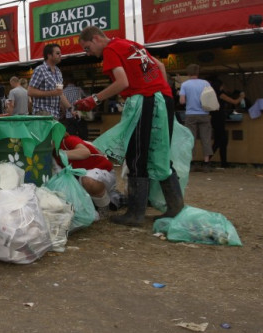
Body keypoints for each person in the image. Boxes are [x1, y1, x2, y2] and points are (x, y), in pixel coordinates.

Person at [76, 25, 183, 227]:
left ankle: (135, 213)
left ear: (97, 39)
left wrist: (95, 99)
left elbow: (122, 82)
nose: (89, 53)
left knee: (136, 155)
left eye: (87, 47)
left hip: (146, 100)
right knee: (160, 152)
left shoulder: (110, 50)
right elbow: (159, 66)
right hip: (162, 99)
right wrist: (161, 89)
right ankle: (175, 206)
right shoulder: (130, 44)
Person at [58, 133, 123, 217]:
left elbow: (85, 152)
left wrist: (61, 154)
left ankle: (103, 206)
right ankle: (104, 199)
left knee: (88, 180)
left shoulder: (68, 140)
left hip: (100, 173)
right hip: (79, 177)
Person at [179, 64, 214, 172]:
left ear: (188, 73)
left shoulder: (185, 85)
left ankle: (192, 162)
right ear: (198, 72)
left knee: (191, 139)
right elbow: (210, 98)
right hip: (204, 114)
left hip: (190, 115)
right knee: (206, 138)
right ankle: (206, 163)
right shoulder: (206, 83)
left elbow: (182, 101)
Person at [28, 43, 72, 119]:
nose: (60, 55)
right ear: (49, 55)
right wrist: (52, 93)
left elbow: (60, 94)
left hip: (55, 113)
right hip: (42, 112)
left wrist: (70, 109)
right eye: (57, 53)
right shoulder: (40, 69)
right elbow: (30, 91)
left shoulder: (58, 71)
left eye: (60, 53)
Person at [210, 78, 245, 168]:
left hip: (214, 118)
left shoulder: (212, 94)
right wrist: (241, 96)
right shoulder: (221, 94)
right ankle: (220, 162)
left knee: (218, 141)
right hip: (219, 118)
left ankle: (215, 161)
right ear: (220, 86)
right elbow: (234, 102)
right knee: (222, 141)